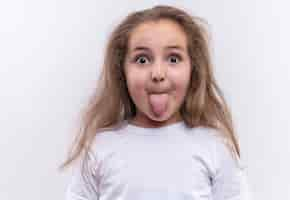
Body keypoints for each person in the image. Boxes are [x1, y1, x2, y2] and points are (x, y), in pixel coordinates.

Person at [60, 5, 252, 200]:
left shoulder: (215, 146)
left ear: (193, 70)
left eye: (173, 59)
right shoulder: (99, 147)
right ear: (122, 71)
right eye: (142, 60)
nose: (158, 74)